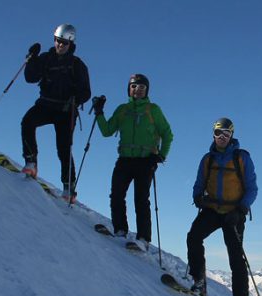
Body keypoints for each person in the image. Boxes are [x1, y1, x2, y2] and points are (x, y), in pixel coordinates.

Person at [186, 118, 258, 296]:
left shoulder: (241, 158)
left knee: (235, 256)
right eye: (219, 133)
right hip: (212, 208)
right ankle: (198, 281)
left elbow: (252, 188)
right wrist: (197, 197)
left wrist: (242, 209)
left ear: (232, 136)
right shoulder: (207, 159)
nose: (222, 138)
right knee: (193, 237)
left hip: (234, 213)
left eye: (226, 134)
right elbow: (199, 182)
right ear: (213, 135)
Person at [92, 74, 173, 244]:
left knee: (141, 199)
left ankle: (143, 239)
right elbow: (107, 131)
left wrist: (161, 155)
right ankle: (120, 230)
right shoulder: (123, 110)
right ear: (129, 89)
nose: (137, 90)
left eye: (142, 87)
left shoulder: (153, 109)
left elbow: (167, 133)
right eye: (134, 86)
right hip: (125, 159)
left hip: (146, 160)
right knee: (116, 195)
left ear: (146, 90)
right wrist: (99, 113)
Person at [21, 23, 91, 202]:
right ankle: (31, 162)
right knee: (27, 122)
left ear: (71, 44)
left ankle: (69, 188)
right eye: (58, 41)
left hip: (66, 110)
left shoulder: (77, 65)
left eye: (64, 43)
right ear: (54, 40)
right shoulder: (45, 59)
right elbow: (30, 78)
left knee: (63, 147)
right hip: (46, 105)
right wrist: (31, 59)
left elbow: (86, 92)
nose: (60, 45)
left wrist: (76, 97)